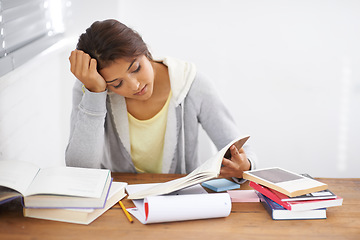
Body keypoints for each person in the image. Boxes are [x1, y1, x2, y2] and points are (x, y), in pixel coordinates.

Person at [66, 19, 256, 182]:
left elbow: (242, 150)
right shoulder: (92, 89)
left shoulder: (192, 84)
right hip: (120, 204)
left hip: (181, 201)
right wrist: (94, 94)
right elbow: (81, 170)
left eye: (136, 68)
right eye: (117, 84)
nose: (134, 85)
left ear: (145, 51)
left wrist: (244, 165)